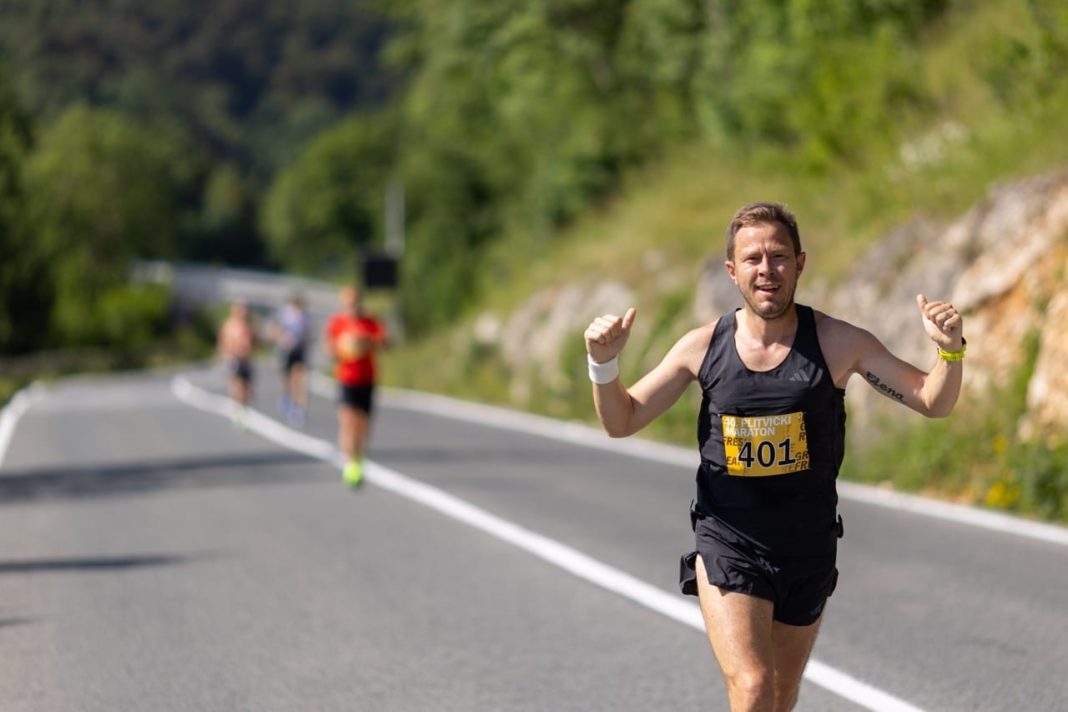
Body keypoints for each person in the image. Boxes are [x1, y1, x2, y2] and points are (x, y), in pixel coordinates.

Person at [583, 202, 964, 712]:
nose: (767, 269)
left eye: (779, 256)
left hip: (807, 546)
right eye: (753, 258)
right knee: (753, 687)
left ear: (799, 263)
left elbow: (932, 401)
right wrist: (603, 365)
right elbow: (622, 420)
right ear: (732, 271)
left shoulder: (837, 342)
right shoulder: (702, 347)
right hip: (729, 541)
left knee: (780, 698)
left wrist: (950, 351)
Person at [325, 286, 387, 487]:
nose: (352, 306)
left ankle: (358, 457)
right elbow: (329, 348)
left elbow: (385, 342)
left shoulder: (370, 322)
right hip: (346, 378)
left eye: (355, 302)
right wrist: (342, 348)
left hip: (367, 378)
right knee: (348, 419)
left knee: (363, 423)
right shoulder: (337, 323)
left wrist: (365, 343)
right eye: (348, 303)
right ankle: (349, 462)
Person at [270, 293, 311, 426]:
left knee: (299, 378)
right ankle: (286, 396)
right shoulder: (285, 313)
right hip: (286, 350)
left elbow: (307, 333)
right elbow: (275, 329)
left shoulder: (304, 315)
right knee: (286, 376)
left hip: (299, 350)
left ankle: (297, 407)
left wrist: (305, 345)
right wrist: (282, 339)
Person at [217, 301, 257, 425]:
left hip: (245, 360)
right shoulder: (228, 326)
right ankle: (237, 410)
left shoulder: (247, 327)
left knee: (246, 387)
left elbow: (253, 343)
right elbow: (223, 343)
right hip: (233, 359)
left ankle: (243, 407)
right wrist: (224, 356)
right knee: (237, 384)